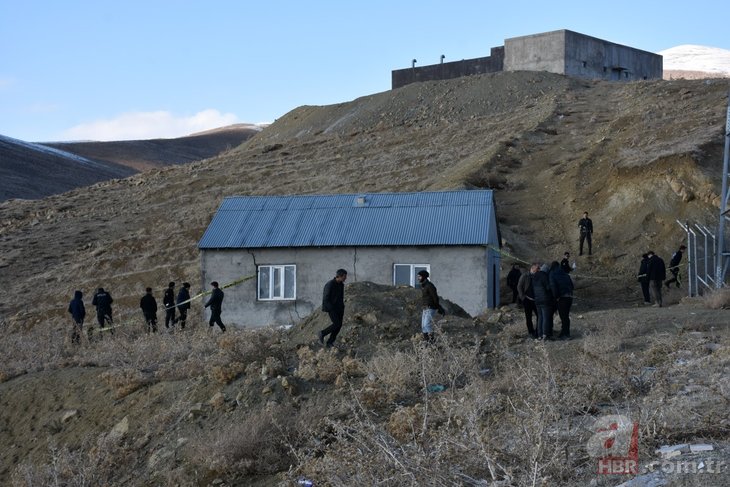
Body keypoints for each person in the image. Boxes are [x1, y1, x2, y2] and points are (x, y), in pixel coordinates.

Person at [318, 269, 348, 347]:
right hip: (331, 308)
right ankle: (322, 333)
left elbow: (340, 297)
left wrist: (342, 307)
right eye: (344, 276)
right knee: (336, 323)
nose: (345, 278)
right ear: (340, 276)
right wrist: (331, 308)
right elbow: (325, 298)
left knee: (339, 325)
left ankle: (330, 342)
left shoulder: (341, 285)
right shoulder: (330, 284)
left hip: (340, 308)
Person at [415, 270, 445, 343]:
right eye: (418, 276)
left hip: (430, 307)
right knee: (423, 326)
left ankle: (432, 341)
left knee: (427, 325)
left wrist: (438, 307)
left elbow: (435, 297)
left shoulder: (430, 286)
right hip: (425, 308)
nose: (418, 278)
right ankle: (427, 342)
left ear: (424, 277)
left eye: (419, 276)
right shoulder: (424, 286)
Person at [549, 261, 574, 340]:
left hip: (562, 298)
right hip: (569, 297)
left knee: (563, 317)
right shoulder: (565, 273)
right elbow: (572, 286)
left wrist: (556, 297)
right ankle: (564, 332)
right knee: (565, 316)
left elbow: (553, 287)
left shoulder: (552, 274)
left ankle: (565, 334)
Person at [531, 263, 554, 340]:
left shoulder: (534, 276)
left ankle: (539, 335)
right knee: (545, 317)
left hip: (537, 300)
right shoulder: (544, 276)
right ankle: (545, 335)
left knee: (540, 317)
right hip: (545, 299)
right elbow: (548, 287)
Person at [517, 264, 538, 338]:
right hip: (527, 299)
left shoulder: (537, 275)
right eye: (536, 269)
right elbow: (519, 286)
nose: (538, 271)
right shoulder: (525, 275)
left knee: (539, 316)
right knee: (528, 317)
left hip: (536, 300)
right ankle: (531, 332)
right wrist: (523, 298)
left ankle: (538, 331)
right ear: (532, 268)